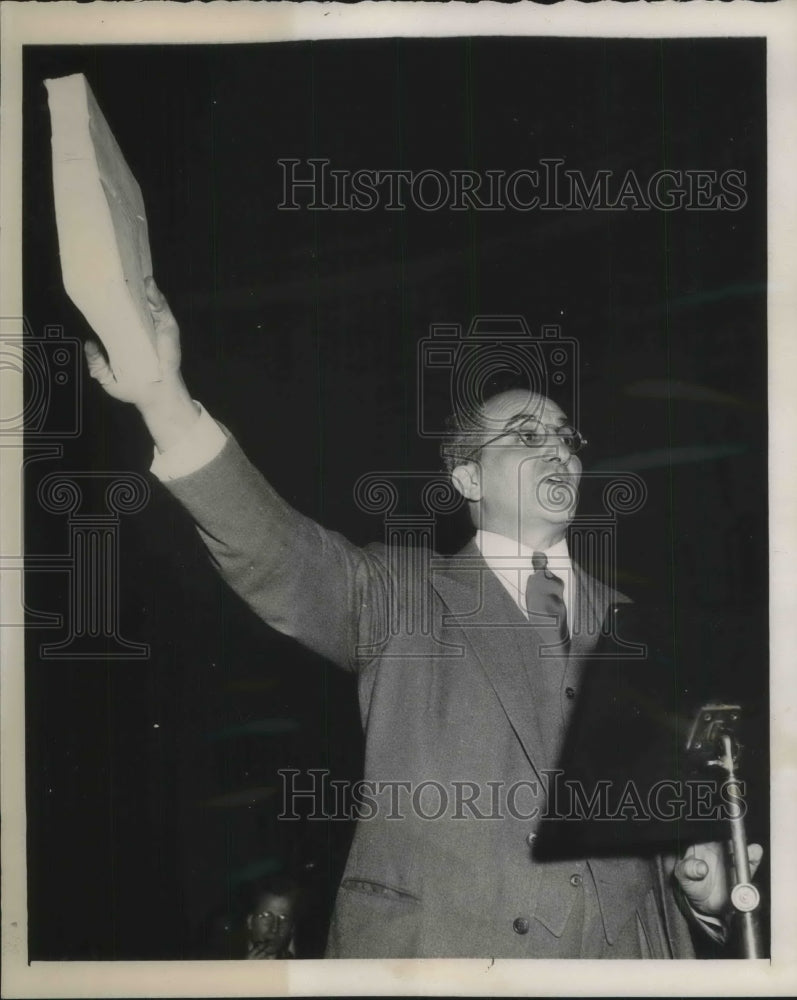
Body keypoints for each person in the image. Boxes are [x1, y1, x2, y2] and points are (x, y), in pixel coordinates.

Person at [85, 278, 762, 958]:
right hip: (442, 957)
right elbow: (275, 548)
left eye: (565, 436)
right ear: (468, 479)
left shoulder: (640, 629)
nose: (558, 449)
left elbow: (664, 843)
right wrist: (161, 397)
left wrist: (698, 895)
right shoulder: (398, 592)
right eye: (525, 436)